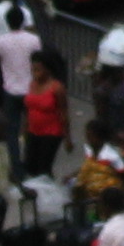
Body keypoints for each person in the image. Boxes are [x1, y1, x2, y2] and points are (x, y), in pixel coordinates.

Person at [0, 5, 42, 180]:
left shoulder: (1, 41)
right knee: (32, 128)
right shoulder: (34, 40)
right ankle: (33, 165)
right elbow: (39, 61)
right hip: (30, 90)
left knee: (12, 132)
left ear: (7, 22)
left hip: (10, 91)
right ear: (23, 21)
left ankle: (17, 170)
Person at [22, 50, 71, 179]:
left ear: (48, 70)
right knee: (30, 165)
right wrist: (25, 129)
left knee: (44, 168)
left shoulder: (57, 88)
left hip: (51, 133)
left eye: (38, 70)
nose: (34, 73)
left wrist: (67, 138)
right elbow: (28, 110)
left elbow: (63, 113)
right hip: (33, 131)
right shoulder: (32, 84)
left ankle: (47, 192)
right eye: (33, 70)